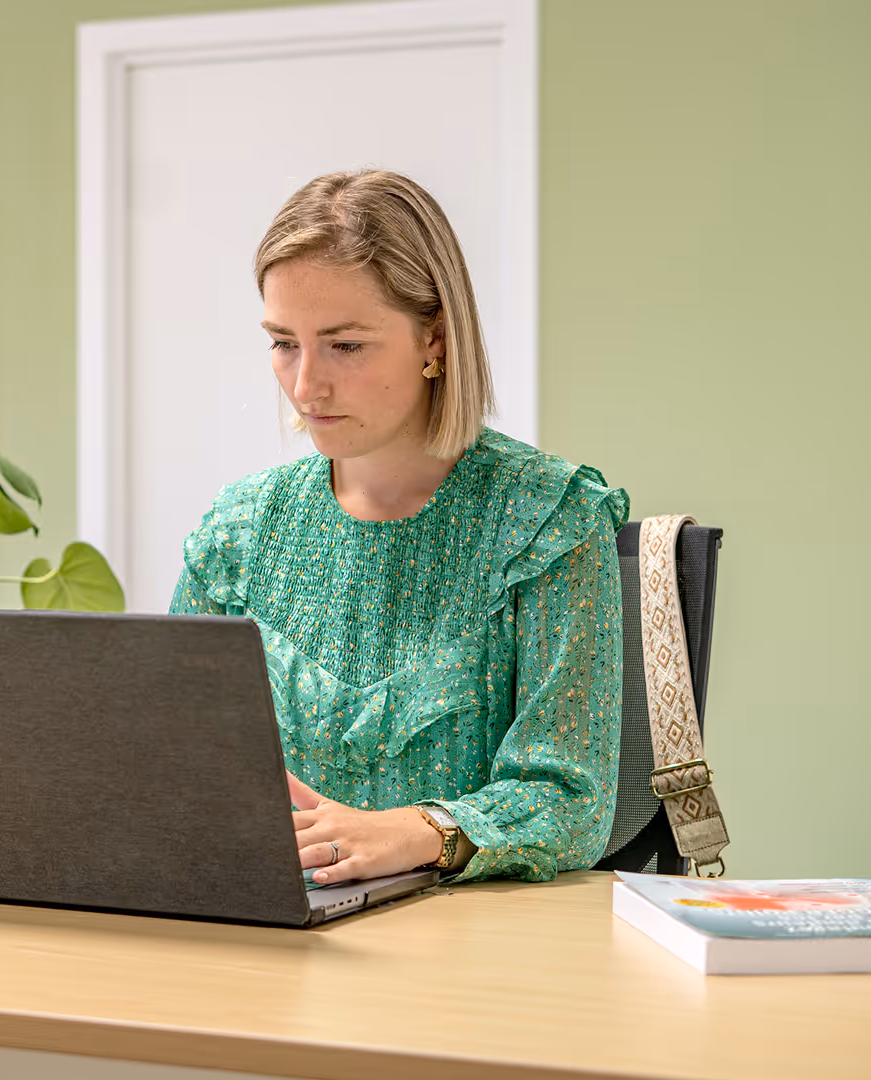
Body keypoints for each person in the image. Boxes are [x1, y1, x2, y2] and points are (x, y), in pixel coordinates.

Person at [170, 170, 627, 884]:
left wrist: (415, 832)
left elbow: (571, 800)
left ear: (434, 339)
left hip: (474, 940)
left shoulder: (549, 519)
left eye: (346, 346)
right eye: (284, 343)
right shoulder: (236, 533)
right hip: (268, 927)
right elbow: (172, 767)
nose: (305, 385)